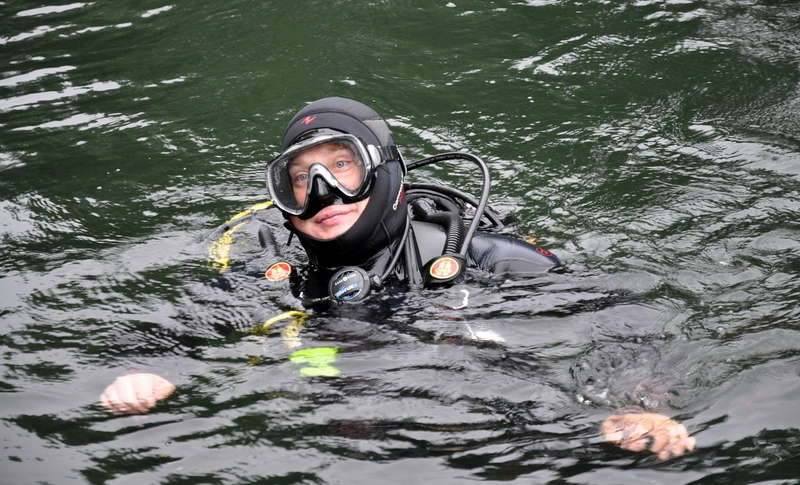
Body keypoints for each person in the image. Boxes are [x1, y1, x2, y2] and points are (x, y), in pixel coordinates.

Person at [100, 97, 696, 460]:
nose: (325, 193)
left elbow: (619, 317)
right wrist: (145, 369)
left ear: (385, 172)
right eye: (302, 178)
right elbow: (183, 323)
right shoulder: (276, 264)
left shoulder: (475, 253)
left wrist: (636, 401)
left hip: (478, 426)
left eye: (341, 166)